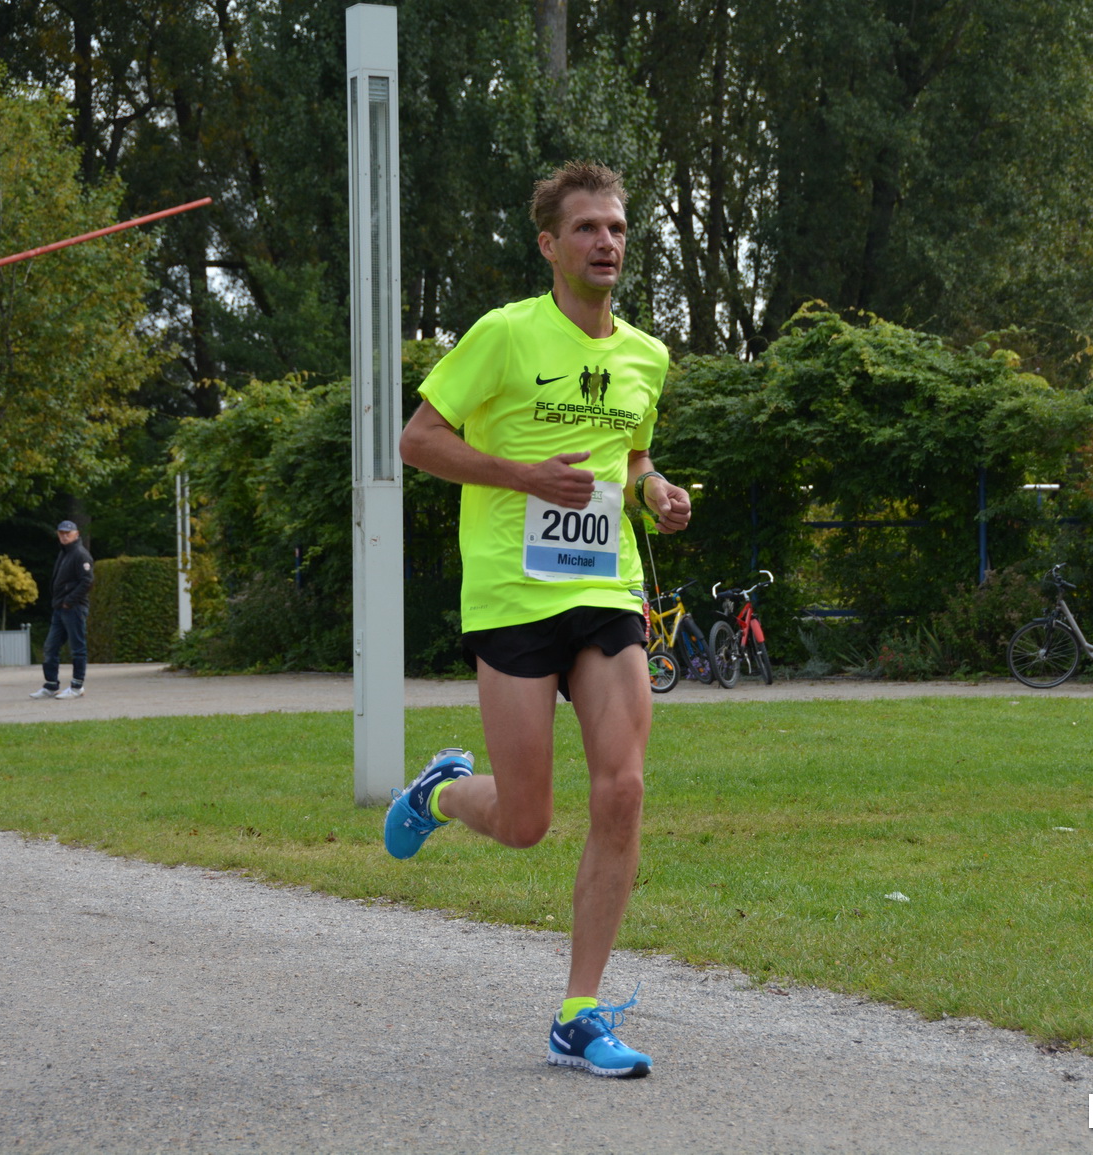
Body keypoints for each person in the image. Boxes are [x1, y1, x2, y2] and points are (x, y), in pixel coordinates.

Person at [389, 161, 690, 1079]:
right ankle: (440, 792)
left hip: (604, 590)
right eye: (589, 228)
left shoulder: (647, 355)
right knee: (525, 820)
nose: (608, 242)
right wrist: (525, 477)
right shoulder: (505, 336)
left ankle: (578, 1011)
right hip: (513, 598)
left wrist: (654, 490)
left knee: (624, 788)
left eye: (618, 229)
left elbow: (631, 456)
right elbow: (417, 440)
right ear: (550, 244)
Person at [31, 520, 93, 700]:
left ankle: (76, 686)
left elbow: (87, 581)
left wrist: (69, 601)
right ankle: (51, 685)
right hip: (60, 608)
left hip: (74, 608)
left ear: (76, 533)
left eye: (68, 532)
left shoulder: (80, 554)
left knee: (77, 648)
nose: (64, 535)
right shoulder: (64, 553)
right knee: (50, 647)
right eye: (61, 533)